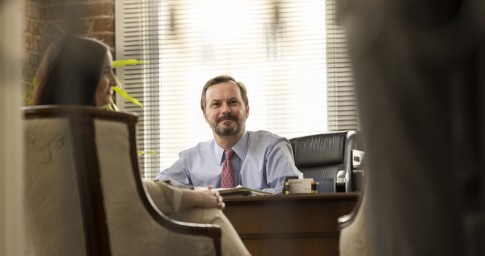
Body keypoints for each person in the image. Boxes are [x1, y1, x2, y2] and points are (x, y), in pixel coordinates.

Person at [33, 35, 250, 255]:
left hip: (51, 242)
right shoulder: (98, 130)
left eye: (233, 102)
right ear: (82, 77)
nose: (115, 83)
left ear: (246, 109)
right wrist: (195, 196)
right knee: (206, 215)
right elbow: (126, 191)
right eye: (106, 72)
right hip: (100, 239)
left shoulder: (29, 132)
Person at [156, 75, 302, 193]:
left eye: (232, 102)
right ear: (205, 115)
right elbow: (158, 188)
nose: (225, 110)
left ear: (247, 111)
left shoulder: (272, 148)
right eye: (216, 104)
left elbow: (291, 193)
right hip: (211, 228)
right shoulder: (190, 160)